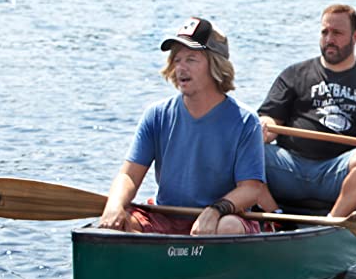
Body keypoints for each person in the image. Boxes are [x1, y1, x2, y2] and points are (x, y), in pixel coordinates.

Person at [99, 17, 266, 235]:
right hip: (166, 215)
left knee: (229, 227)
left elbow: (251, 189)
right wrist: (114, 205)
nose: (180, 68)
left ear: (215, 65)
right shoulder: (156, 115)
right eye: (176, 60)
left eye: (191, 59)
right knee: (119, 226)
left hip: (221, 217)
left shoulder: (245, 121)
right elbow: (129, 175)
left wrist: (215, 210)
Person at [257, 4, 356, 218]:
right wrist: (264, 127)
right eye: (325, 32)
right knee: (243, 146)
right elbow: (271, 121)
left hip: (337, 173)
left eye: (337, 33)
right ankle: (274, 216)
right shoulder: (294, 74)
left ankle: (332, 223)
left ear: (355, 37)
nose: (329, 39)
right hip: (289, 167)